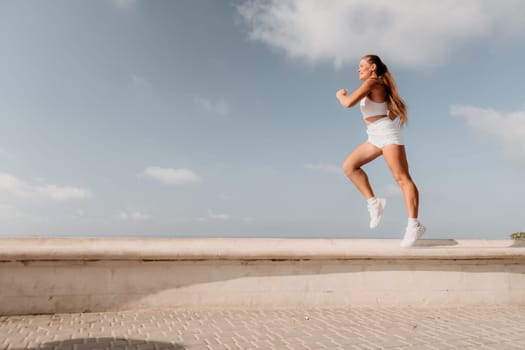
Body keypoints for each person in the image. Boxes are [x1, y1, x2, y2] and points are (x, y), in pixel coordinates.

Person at [336, 54, 425, 248]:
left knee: (402, 179)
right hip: (375, 135)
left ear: (372, 68)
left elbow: (348, 102)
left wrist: (340, 94)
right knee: (350, 166)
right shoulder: (379, 85)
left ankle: (414, 226)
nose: (358, 69)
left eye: (361, 66)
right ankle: (374, 203)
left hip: (386, 134)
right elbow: (390, 111)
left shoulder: (372, 82)